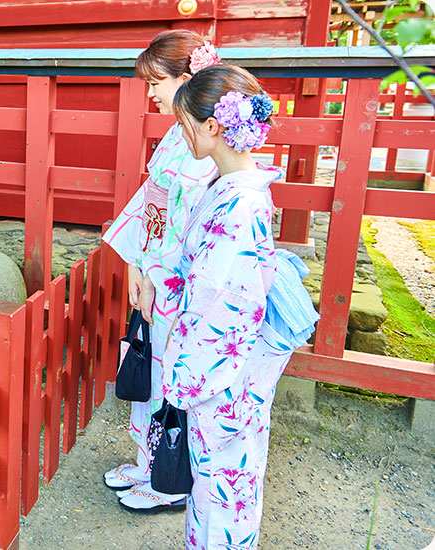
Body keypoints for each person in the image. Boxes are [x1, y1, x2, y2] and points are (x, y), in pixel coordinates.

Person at [165, 64, 316, 548]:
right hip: (234, 365)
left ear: (212, 127)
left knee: (223, 489)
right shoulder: (236, 188)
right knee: (224, 483)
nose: (180, 132)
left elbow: (223, 303)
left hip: (224, 373)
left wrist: (183, 376)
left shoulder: (239, 204)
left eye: (184, 123)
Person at [101, 30, 220, 512]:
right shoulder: (178, 130)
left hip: (175, 276)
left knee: (171, 375)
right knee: (153, 370)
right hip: (154, 263)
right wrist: (134, 262)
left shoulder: (201, 137)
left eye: (157, 80)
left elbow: (183, 224)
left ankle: (169, 479)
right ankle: (148, 461)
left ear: (188, 78)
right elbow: (151, 201)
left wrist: (151, 272)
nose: (149, 91)